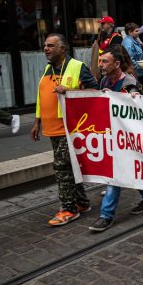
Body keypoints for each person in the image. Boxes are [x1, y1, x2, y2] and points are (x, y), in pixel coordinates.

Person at [30, 33, 98, 226]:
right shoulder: (47, 69)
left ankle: (69, 209)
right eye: (45, 45)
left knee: (61, 167)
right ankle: (82, 202)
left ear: (63, 49)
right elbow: (41, 97)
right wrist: (37, 121)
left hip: (70, 129)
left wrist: (69, 91)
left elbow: (95, 92)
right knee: (69, 167)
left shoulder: (77, 67)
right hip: (52, 129)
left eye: (51, 46)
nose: (46, 49)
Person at [89, 46, 143, 232]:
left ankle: (106, 215)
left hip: (128, 137)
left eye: (105, 61)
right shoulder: (104, 81)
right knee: (128, 169)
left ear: (117, 64)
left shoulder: (129, 82)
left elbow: (135, 109)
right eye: (100, 61)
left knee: (115, 176)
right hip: (112, 135)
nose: (100, 65)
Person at [122, 23, 143, 87]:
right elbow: (130, 59)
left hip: (139, 71)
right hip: (136, 73)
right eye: (136, 31)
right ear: (129, 32)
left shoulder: (133, 40)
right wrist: (139, 67)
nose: (138, 32)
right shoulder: (128, 42)